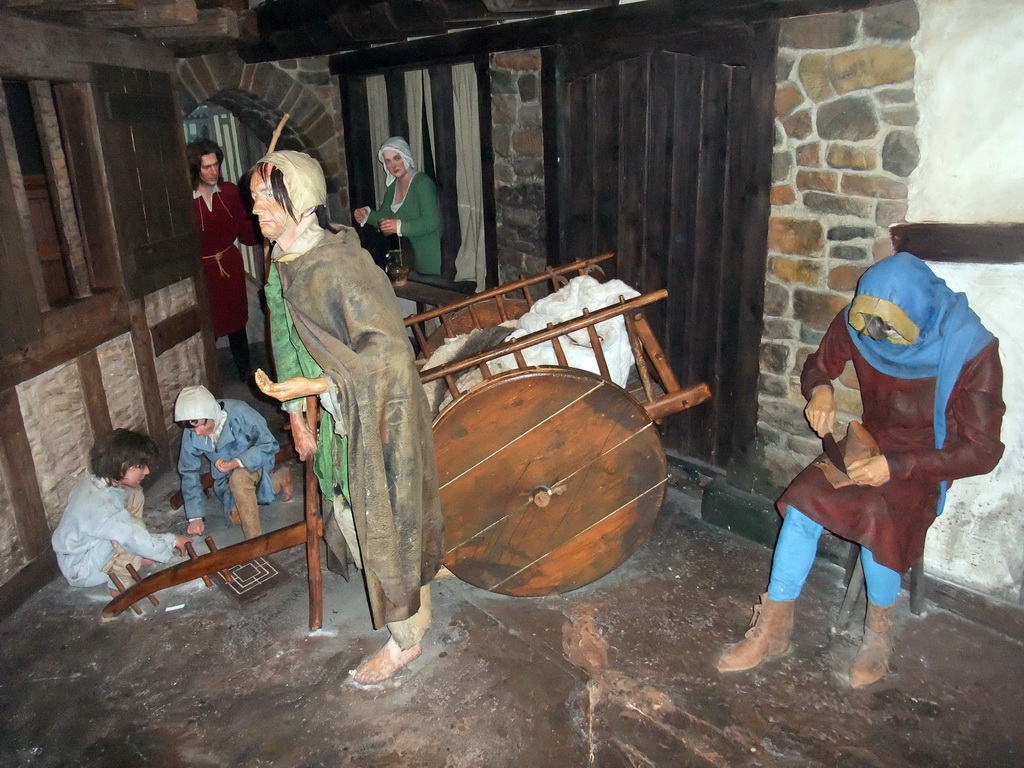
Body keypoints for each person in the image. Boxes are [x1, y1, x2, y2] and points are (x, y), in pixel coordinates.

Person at [716, 252, 1005, 688]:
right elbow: (819, 365)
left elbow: (982, 451)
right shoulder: (860, 319)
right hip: (869, 444)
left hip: (924, 461)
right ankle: (774, 627)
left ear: (919, 314)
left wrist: (899, 466)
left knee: (878, 514)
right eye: (869, 326)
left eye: (890, 329)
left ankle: (877, 635)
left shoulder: (971, 349)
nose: (877, 338)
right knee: (802, 502)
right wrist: (821, 391)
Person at [250, 150, 443, 686]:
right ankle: (410, 587)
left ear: (305, 202)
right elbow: (287, 336)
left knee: (381, 523)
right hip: (333, 420)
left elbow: (389, 357)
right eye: (256, 198)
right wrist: (295, 414)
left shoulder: (341, 268)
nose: (258, 209)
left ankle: (408, 637)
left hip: (373, 417)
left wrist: (319, 385)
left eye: (269, 197)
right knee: (349, 511)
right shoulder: (283, 262)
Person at [52, 429, 190, 596]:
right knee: (131, 532)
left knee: (134, 494)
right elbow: (132, 536)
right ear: (121, 466)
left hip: (83, 551)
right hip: (82, 568)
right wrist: (173, 540)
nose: (146, 472)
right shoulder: (102, 508)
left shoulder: (94, 484)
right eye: (141, 466)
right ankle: (118, 583)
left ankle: (132, 558)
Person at [186, 138, 263, 382]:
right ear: (195, 169)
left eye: (216, 164)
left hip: (229, 266)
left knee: (236, 320)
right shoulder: (186, 200)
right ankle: (208, 377)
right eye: (206, 167)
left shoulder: (229, 192)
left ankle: (244, 370)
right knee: (209, 324)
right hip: (203, 271)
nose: (213, 171)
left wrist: (264, 228)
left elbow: (246, 232)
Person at [174, 384, 293, 539]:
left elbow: (269, 444)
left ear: (211, 412)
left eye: (201, 426)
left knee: (239, 479)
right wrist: (195, 517)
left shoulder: (239, 412)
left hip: (255, 462)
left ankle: (254, 541)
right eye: (192, 430)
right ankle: (278, 478)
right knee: (237, 517)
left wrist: (238, 462)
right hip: (224, 476)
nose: (198, 433)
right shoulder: (193, 431)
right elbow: (188, 471)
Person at [353, 136, 442, 275]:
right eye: (388, 161)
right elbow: (385, 216)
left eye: (397, 158)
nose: (393, 165)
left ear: (406, 157)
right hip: (411, 258)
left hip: (432, 256)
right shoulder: (393, 186)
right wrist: (367, 215)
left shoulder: (422, 184)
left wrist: (400, 226)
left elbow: (431, 221)